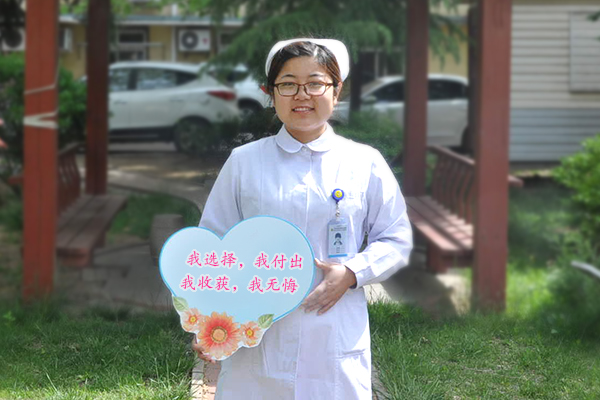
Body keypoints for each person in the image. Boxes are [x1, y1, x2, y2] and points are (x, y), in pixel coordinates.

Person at [194, 38, 413, 399]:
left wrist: (353, 272)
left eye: (315, 83)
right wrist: (207, 319)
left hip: (334, 328)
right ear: (271, 93)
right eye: (288, 84)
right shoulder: (244, 162)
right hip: (257, 327)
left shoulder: (364, 162)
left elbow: (396, 238)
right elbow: (213, 245)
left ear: (336, 90)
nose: (302, 95)